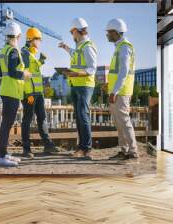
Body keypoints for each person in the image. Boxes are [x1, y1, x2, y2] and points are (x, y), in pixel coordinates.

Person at [58, 18, 97, 160]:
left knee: (83, 116)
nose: (71, 35)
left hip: (84, 85)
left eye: (72, 32)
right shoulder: (80, 46)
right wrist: (66, 48)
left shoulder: (87, 46)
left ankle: (86, 149)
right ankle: (81, 147)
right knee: (79, 117)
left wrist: (74, 73)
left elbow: (92, 69)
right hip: (76, 85)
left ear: (76, 31)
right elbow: (75, 54)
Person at [0, 22, 32, 167]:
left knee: (6, 124)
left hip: (6, 90)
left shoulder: (4, 50)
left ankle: (3, 154)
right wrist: (25, 74)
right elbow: (11, 72)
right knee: (6, 125)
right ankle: (0, 156)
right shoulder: (13, 51)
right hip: (12, 92)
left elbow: (1, 72)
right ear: (18, 36)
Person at [20, 27, 59, 158]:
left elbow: (34, 70)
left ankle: (48, 145)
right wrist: (27, 93)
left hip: (38, 93)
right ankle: (26, 149)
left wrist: (41, 61)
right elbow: (24, 74)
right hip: (30, 94)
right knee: (27, 120)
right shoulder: (24, 53)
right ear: (31, 39)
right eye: (39, 39)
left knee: (42, 119)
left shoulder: (31, 54)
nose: (40, 42)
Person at [105, 18, 139, 161]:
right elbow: (117, 72)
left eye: (109, 32)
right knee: (119, 123)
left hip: (121, 92)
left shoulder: (124, 47)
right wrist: (109, 86)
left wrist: (115, 91)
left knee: (124, 122)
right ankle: (124, 150)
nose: (107, 35)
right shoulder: (119, 47)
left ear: (116, 32)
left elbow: (124, 72)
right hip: (118, 90)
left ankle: (133, 152)